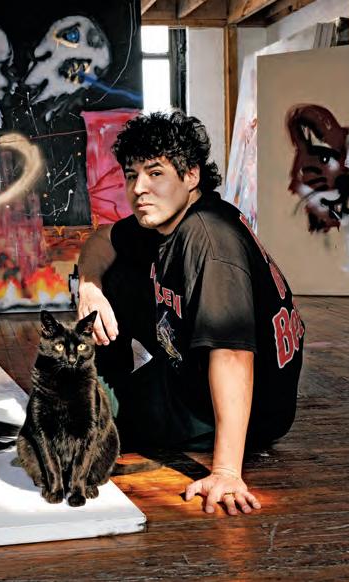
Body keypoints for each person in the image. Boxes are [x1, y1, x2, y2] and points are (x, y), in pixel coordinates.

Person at [77, 111, 304, 516]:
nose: (139, 189)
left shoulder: (209, 241)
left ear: (192, 175)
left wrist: (226, 471)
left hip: (242, 411)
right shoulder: (169, 219)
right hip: (189, 374)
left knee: (84, 421)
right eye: (131, 176)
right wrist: (90, 288)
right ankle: (109, 387)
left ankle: (109, 403)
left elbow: (232, 354)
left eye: (155, 173)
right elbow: (102, 239)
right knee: (114, 273)